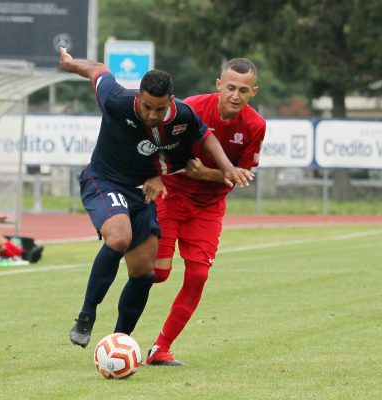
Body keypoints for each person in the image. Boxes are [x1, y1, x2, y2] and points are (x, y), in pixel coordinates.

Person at [58, 47, 253, 348]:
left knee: (145, 272)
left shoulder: (182, 116)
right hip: (104, 180)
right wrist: (71, 65)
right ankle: (86, 316)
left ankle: (119, 341)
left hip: (140, 192)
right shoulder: (116, 99)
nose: (152, 114)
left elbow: (205, 136)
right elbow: (97, 69)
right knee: (119, 237)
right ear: (138, 97)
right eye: (147, 107)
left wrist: (227, 166)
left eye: (159, 109)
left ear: (170, 102)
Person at [145, 58, 266, 366]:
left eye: (243, 90)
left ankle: (160, 348)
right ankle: (122, 331)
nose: (235, 95)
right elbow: (155, 141)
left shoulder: (254, 126)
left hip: (209, 207)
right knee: (158, 274)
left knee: (198, 275)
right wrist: (156, 174)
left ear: (254, 91)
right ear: (218, 86)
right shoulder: (193, 108)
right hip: (172, 196)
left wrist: (206, 175)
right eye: (230, 88)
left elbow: (242, 174)